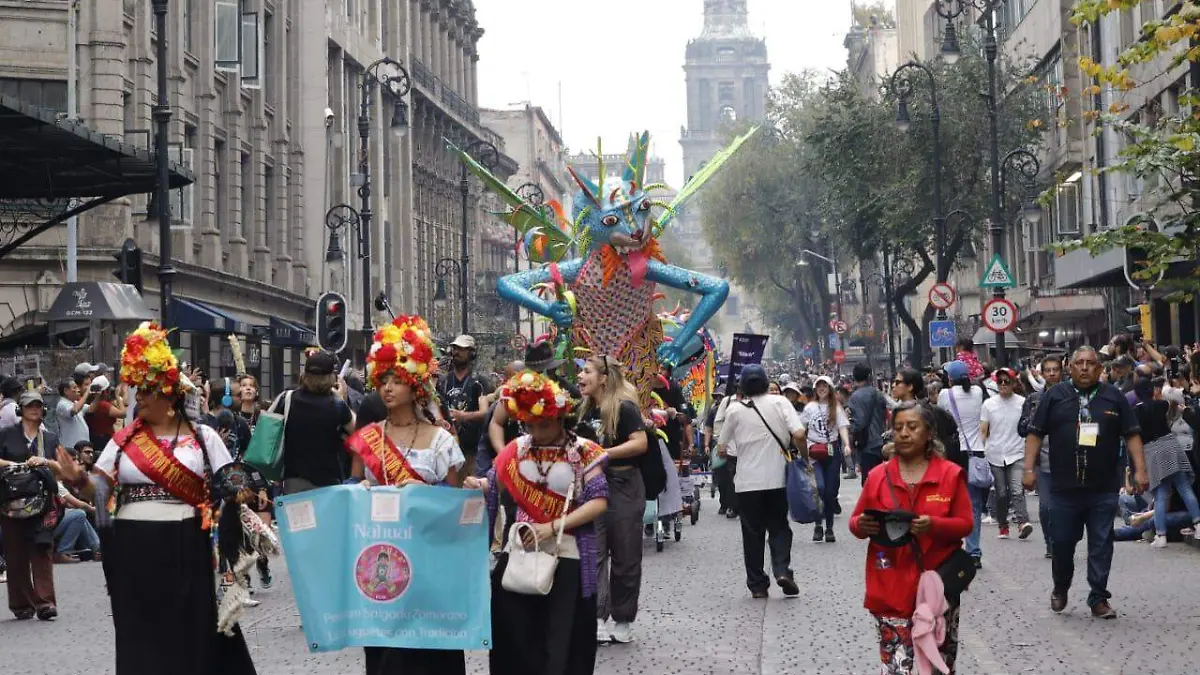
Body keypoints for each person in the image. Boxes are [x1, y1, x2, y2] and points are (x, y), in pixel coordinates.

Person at [83, 322, 258, 674]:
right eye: (137, 391)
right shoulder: (125, 441)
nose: (139, 398)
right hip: (134, 547)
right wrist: (77, 480)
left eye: (146, 391)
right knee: (140, 628)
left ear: (168, 393)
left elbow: (235, 483)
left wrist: (244, 491)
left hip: (184, 543)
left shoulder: (203, 436)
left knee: (187, 626)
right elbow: (98, 488)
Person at [466, 370, 608, 675]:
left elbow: (599, 501)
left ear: (560, 418)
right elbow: (496, 484)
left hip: (567, 554)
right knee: (517, 636)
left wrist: (552, 526)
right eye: (529, 425)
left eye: (543, 424)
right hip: (520, 550)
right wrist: (480, 485)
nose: (536, 432)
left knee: (559, 639)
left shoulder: (584, 452)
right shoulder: (516, 450)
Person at [345, 315, 465, 675]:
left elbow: (456, 502)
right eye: (383, 380)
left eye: (397, 380)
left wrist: (425, 491)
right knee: (385, 649)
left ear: (416, 386)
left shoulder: (441, 440)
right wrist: (359, 490)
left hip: (428, 555)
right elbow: (351, 487)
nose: (388, 388)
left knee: (427, 646)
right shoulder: (367, 439)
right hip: (380, 556)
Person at [1022, 345, 1149, 619]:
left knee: (1102, 543)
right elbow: (1034, 432)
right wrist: (1028, 469)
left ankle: (1098, 598)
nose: (1083, 367)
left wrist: (1140, 470)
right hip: (1064, 488)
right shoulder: (1055, 396)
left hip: (1102, 487)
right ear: (1070, 367)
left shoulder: (1113, 397)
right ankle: (1061, 585)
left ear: (1099, 368)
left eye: (1089, 363)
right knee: (1063, 543)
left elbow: (1132, 434)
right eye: (1078, 362)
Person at [849, 402, 973, 675]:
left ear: (929, 433)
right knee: (895, 667)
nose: (903, 433)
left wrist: (934, 526)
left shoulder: (950, 475)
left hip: (938, 586)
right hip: (890, 582)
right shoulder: (878, 477)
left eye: (912, 427)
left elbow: (965, 524)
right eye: (898, 427)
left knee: (941, 665)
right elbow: (855, 523)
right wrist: (862, 524)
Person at [715, 364, 806, 599]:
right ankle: (782, 570)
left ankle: (757, 585)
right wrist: (803, 457)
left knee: (752, 533)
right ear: (767, 383)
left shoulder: (735, 410)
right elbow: (799, 434)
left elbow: (722, 445)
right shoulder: (781, 403)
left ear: (742, 386)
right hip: (777, 479)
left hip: (747, 483)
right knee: (779, 526)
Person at [577, 355, 648, 644]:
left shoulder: (624, 407)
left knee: (625, 555)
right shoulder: (583, 410)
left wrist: (604, 454)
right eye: (581, 372)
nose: (581, 376)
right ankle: (595, 617)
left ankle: (623, 618)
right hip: (592, 486)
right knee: (592, 553)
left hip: (624, 484)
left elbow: (639, 443)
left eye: (587, 371)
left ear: (604, 378)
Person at [0, 390, 65, 620]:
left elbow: (61, 469)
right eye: (29, 406)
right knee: (15, 555)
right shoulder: (6, 434)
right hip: (11, 502)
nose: (34, 409)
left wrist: (44, 461)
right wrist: (19, 465)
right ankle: (21, 604)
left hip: (42, 503)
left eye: (38, 405)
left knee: (42, 550)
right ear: (21, 409)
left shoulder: (49, 438)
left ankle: (45, 602)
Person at [1129, 370, 1200, 548]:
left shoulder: (1135, 411)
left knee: (1160, 494)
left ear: (1136, 393)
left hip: (1151, 450)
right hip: (1170, 445)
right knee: (1183, 486)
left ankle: (1161, 536)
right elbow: (1171, 401)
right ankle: (1199, 525)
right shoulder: (1161, 405)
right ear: (1152, 390)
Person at [279, 351, 355, 495]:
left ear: (305, 375)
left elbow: (266, 430)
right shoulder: (337, 405)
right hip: (328, 481)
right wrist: (341, 398)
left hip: (294, 481)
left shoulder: (287, 398)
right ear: (331, 378)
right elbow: (358, 430)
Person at [938, 360, 987, 568]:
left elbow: (942, 420)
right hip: (977, 451)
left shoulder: (944, 395)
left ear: (950, 378)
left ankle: (952, 549)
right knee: (974, 505)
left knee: (950, 503)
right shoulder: (977, 392)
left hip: (954, 453)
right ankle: (974, 551)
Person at [1018, 354, 1063, 558]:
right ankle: (1050, 543)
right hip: (1042, 461)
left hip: (1068, 461)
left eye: (1056, 370)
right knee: (1045, 508)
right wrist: (1036, 421)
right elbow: (1021, 428)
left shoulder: (1072, 395)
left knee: (1063, 508)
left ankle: (1063, 541)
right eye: (1048, 370)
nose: (1052, 373)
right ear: (1042, 374)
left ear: (1061, 372)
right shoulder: (1034, 399)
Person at [980, 367, 1032, 541]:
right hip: (995, 454)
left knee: (1017, 490)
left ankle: (1023, 522)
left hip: (1016, 452)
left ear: (1013, 383)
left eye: (1006, 381)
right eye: (999, 381)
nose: (1003, 385)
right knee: (1001, 493)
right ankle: (1003, 526)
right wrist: (984, 450)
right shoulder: (988, 404)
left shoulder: (1022, 402)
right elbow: (984, 430)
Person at [437, 334, 492, 480]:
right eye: (455, 348)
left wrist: (463, 416)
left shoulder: (479, 382)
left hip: (472, 451)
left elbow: (485, 412)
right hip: (447, 449)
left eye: (462, 349)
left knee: (471, 492)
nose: (456, 352)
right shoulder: (443, 381)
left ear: (472, 353)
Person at [801, 376, 850, 543]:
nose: (822, 389)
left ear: (830, 389)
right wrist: (801, 448)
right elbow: (802, 429)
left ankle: (829, 528)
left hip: (832, 452)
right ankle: (817, 525)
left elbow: (842, 427)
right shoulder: (810, 407)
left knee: (830, 492)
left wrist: (847, 444)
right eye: (819, 386)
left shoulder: (836, 407)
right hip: (814, 452)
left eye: (825, 386)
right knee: (819, 489)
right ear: (815, 389)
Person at [848, 363, 888, 483]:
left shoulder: (855, 397)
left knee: (869, 481)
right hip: (880, 442)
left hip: (866, 445)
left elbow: (859, 423)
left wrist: (850, 429)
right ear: (869, 376)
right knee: (881, 480)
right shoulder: (879, 394)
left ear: (854, 377)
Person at [55, 378, 96, 450]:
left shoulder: (75, 403)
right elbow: (75, 410)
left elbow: (91, 409)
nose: (78, 390)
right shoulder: (62, 404)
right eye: (74, 388)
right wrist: (87, 393)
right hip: (71, 446)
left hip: (82, 446)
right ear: (66, 391)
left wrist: (98, 395)